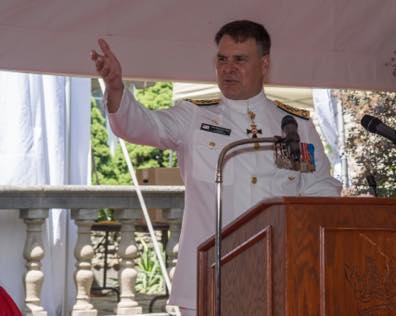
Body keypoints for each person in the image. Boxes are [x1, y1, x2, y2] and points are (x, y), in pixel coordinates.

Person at [91, 20, 341, 316]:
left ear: (264, 64)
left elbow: (320, 190)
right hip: (209, 280)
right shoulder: (194, 116)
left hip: (277, 276)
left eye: (239, 59)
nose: (228, 68)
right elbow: (142, 126)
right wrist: (117, 88)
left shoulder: (296, 126)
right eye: (222, 59)